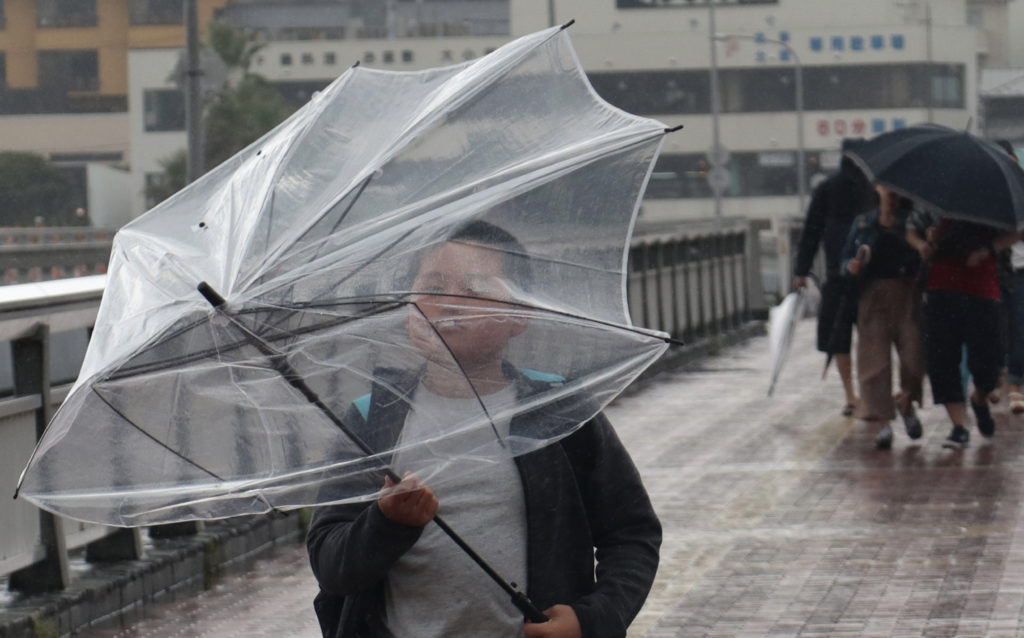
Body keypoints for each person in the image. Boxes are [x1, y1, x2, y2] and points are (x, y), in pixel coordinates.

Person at [306, 221, 662, 638]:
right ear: (408, 310)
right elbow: (331, 566)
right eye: (433, 289)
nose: (449, 306)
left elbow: (631, 531)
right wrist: (386, 522)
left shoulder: (556, 410)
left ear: (520, 315)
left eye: (475, 290)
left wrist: (594, 617)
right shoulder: (374, 418)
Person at [907, 209, 1022, 448]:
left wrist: (987, 250)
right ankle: (959, 426)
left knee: (989, 363)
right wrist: (927, 241)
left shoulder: (992, 198)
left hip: (984, 288)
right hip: (940, 288)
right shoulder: (934, 201)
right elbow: (911, 230)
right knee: (942, 360)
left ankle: (979, 400)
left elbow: (1019, 230)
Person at [793, 139, 879, 416]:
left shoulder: (827, 189)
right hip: (871, 277)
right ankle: (866, 394)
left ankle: (851, 395)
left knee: (839, 336)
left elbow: (811, 233)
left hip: (837, 275)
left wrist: (801, 271)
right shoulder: (875, 189)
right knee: (870, 337)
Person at [840, 186, 924, 449]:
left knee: (914, 358)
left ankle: (906, 403)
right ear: (876, 189)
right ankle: (883, 423)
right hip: (872, 297)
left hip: (907, 294)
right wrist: (850, 266)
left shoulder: (912, 223)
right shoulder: (864, 223)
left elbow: (924, 256)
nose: (891, 192)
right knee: (874, 363)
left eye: (896, 189)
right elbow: (844, 258)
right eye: (886, 187)